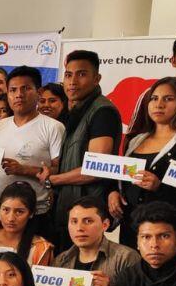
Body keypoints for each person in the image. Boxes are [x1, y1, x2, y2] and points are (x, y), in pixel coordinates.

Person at [116, 77, 176, 251]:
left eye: (168, 99)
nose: (159, 104)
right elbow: (121, 177)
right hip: (132, 233)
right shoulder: (135, 140)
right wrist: (114, 193)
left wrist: (160, 187)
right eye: (154, 98)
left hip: (170, 237)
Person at [43, 50, 122, 251]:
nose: (73, 82)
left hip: (88, 214)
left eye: (82, 74)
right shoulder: (75, 110)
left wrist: (55, 180)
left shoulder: (102, 111)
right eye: (68, 75)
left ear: (97, 79)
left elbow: (97, 168)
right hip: (68, 208)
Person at [0, 66, 64, 217]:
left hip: (37, 211)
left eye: (26, 88)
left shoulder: (53, 127)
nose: (19, 95)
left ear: (39, 92)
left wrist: (24, 170)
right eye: (13, 90)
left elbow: (59, 170)